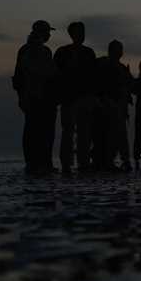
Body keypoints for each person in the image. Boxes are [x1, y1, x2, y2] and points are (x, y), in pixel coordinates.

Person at [53, 21, 96, 174]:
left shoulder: (88, 53)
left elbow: (93, 76)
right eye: (78, 32)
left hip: (84, 98)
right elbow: (56, 74)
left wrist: (92, 98)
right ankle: (66, 163)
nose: (81, 35)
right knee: (68, 132)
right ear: (72, 34)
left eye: (82, 32)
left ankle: (83, 162)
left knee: (84, 132)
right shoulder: (62, 52)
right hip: (69, 98)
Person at [14, 20, 57, 174]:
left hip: (39, 97)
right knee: (38, 131)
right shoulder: (35, 51)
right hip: (37, 97)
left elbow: (18, 77)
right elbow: (20, 77)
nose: (49, 35)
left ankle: (37, 163)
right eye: (47, 32)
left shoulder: (32, 50)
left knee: (36, 130)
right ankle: (38, 163)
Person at [95, 39, 133, 170]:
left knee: (120, 135)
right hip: (107, 104)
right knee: (108, 134)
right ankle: (108, 161)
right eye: (118, 49)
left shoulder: (122, 68)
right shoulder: (103, 64)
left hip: (120, 106)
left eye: (120, 49)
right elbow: (99, 84)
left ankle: (122, 160)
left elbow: (129, 86)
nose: (120, 52)